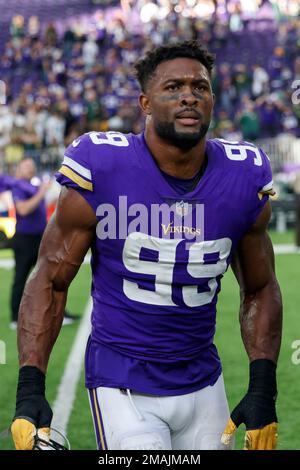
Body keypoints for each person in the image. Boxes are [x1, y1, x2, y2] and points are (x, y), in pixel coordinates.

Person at [11, 41, 282, 451]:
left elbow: (260, 286)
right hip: (123, 382)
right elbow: (50, 277)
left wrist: (264, 387)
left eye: (200, 87)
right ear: (146, 103)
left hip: (203, 379)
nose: (189, 95)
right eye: (173, 87)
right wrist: (30, 390)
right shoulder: (104, 166)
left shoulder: (244, 175)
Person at [4, 159, 78, 329]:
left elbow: (42, 205)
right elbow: (23, 209)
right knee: (21, 278)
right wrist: (42, 192)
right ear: (19, 169)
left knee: (50, 276)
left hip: (39, 238)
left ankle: (58, 313)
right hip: (24, 239)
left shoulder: (32, 186)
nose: (31, 169)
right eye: (27, 166)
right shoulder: (19, 186)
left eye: (32, 166)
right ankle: (15, 317)